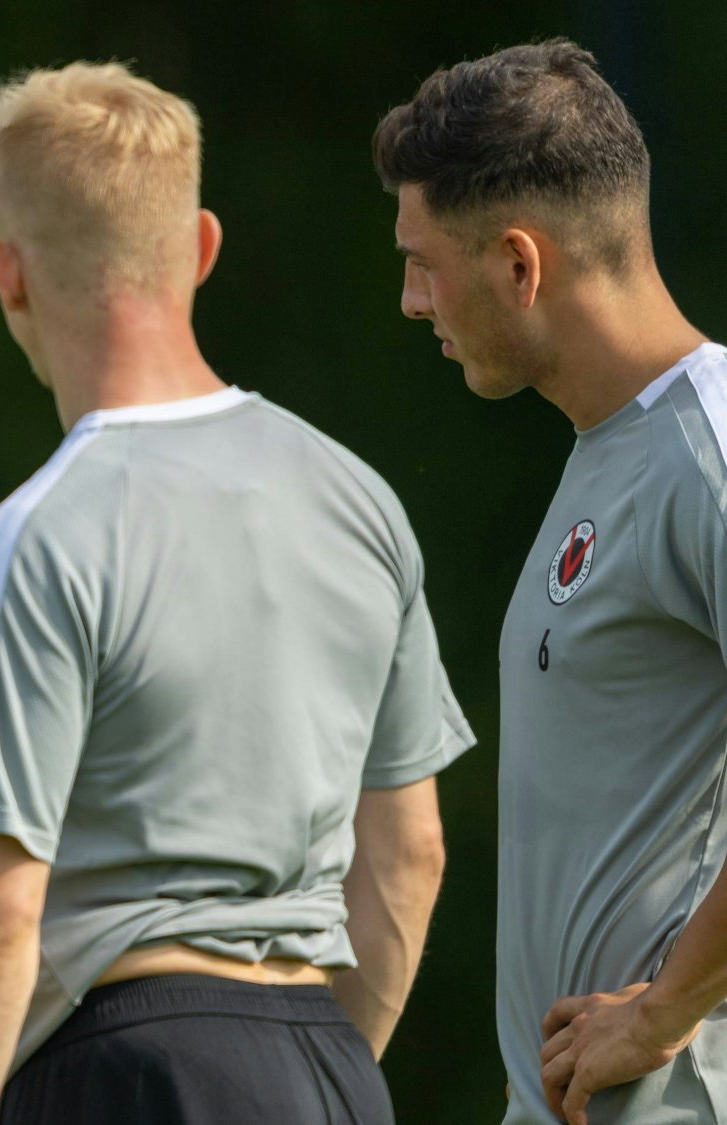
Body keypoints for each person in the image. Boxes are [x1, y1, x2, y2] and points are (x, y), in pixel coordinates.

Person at [0, 62, 474, 1125]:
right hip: (329, 1071)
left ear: (6, 273)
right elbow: (408, 854)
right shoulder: (355, 498)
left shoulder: (32, 540)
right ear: (201, 246)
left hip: (125, 1068)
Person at [376, 39, 727, 1125]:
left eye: (421, 262)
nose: (407, 300)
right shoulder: (607, 449)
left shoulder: (707, 452)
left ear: (518, 264)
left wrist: (661, 1015)